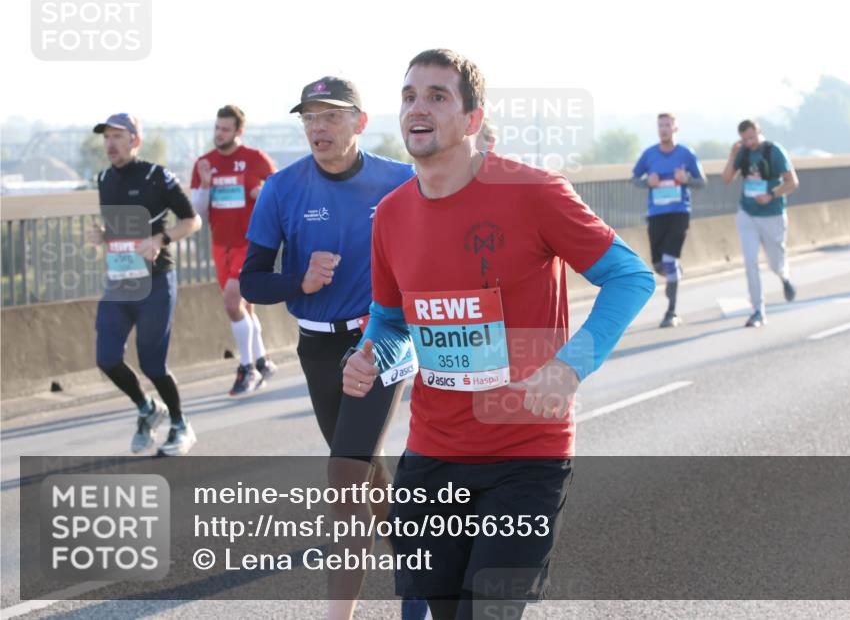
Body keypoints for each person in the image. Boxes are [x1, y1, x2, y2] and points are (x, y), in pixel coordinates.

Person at [342, 49, 654, 620]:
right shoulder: (390, 214)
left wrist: (569, 365)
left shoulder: (532, 192)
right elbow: (391, 319)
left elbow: (630, 276)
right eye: (410, 95)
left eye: (439, 96)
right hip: (432, 458)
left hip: (524, 455)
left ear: (473, 119)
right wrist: (369, 356)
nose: (420, 107)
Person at [240, 77, 414, 619]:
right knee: (366, 467)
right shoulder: (281, 189)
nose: (319, 127)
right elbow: (251, 282)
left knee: (344, 477)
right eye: (310, 117)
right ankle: (420, 562)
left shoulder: (399, 180)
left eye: (331, 115)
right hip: (316, 350)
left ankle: (340, 614)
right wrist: (300, 282)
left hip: (379, 340)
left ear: (360, 122)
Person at [86, 113, 202, 455]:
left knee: (152, 364)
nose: (110, 143)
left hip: (155, 282)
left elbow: (191, 220)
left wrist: (160, 239)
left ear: (135, 140)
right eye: (106, 137)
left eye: (118, 136)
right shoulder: (104, 178)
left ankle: (181, 425)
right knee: (106, 358)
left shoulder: (155, 176)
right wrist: (103, 236)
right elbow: (122, 230)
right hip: (119, 283)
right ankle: (148, 409)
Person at [190, 105, 278, 395]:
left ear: (239, 132)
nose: (219, 134)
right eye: (217, 128)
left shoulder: (254, 159)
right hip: (221, 244)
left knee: (232, 302)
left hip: (250, 243)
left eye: (225, 129)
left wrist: (262, 194)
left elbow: (280, 196)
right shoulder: (204, 163)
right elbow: (197, 213)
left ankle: (247, 368)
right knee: (244, 305)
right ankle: (262, 360)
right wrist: (204, 185)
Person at [721, 119, 799, 327]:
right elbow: (727, 178)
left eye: (752, 137)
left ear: (759, 132)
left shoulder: (774, 151)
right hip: (747, 213)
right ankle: (758, 310)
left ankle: (784, 277)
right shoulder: (743, 153)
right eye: (745, 139)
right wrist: (732, 156)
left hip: (772, 213)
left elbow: (792, 182)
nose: (749, 142)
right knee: (750, 262)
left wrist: (771, 194)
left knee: (775, 262)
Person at [631, 112, 705, 327]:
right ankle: (674, 274)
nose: (664, 129)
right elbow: (634, 178)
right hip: (656, 214)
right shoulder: (649, 154)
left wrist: (686, 179)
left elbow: (702, 182)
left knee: (669, 262)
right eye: (660, 125)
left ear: (675, 128)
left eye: (668, 125)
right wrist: (647, 183)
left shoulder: (686, 154)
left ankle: (671, 312)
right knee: (658, 265)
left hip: (679, 212)